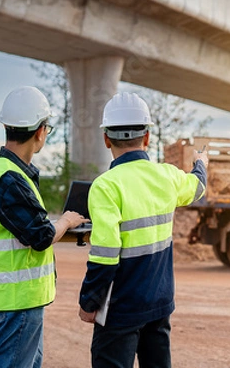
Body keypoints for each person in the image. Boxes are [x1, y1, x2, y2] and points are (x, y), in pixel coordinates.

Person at [78, 92, 208, 368]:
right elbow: (198, 187)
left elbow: (105, 254)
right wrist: (201, 164)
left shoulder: (105, 186)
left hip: (121, 309)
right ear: (147, 137)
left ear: (106, 139)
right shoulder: (168, 176)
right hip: (159, 303)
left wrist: (89, 301)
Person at [0, 86, 89, 368]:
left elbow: (27, 228)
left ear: (7, 126)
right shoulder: (9, 178)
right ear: (40, 131)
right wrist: (66, 221)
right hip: (17, 299)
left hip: (20, 298)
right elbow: (39, 235)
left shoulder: (11, 173)